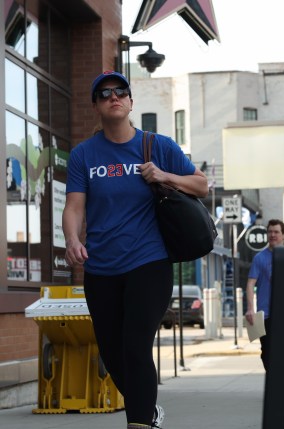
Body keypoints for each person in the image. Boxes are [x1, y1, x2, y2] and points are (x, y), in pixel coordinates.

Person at [62, 70, 208, 429]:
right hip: (101, 268)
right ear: (96, 105)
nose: (114, 97)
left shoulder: (158, 146)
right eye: (105, 93)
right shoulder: (84, 155)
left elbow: (201, 185)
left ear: (130, 102)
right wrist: (72, 240)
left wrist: (164, 176)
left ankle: (139, 422)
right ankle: (149, 409)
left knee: (135, 346)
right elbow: (74, 206)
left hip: (149, 262)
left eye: (121, 91)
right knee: (113, 356)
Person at [244, 219, 284, 371]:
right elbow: (250, 284)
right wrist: (250, 308)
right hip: (266, 314)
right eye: (270, 231)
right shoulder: (259, 258)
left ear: (283, 235)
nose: (272, 235)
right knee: (267, 352)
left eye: (276, 232)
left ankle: (281, 384)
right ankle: (273, 380)